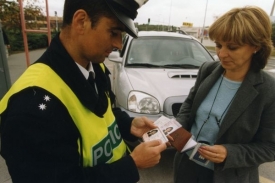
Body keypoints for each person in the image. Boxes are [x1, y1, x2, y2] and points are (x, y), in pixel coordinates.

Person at [0, 0, 167, 182]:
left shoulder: (95, 67)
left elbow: (101, 115)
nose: (119, 45)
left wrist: (128, 125)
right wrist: (132, 164)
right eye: (113, 32)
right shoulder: (32, 108)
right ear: (81, 21)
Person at [173, 6, 275, 183]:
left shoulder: (268, 90)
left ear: (256, 46)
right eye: (219, 45)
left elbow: (270, 147)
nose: (221, 53)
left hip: (229, 176)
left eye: (233, 47)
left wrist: (230, 153)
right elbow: (188, 106)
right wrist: (175, 130)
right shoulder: (208, 70)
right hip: (187, 167)